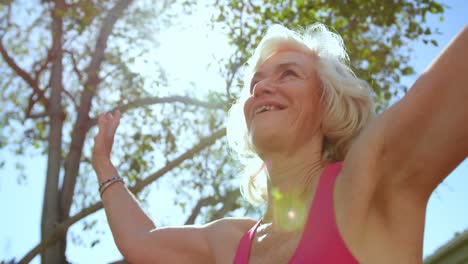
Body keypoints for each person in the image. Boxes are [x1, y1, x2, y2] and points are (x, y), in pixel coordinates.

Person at [92, 23, 468, 263]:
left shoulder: (368, 179)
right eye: (256, 82)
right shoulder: (229, 242)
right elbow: (139, 240)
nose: (262, 88)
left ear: (328, 104)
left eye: (288, 74)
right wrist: (104, 164)